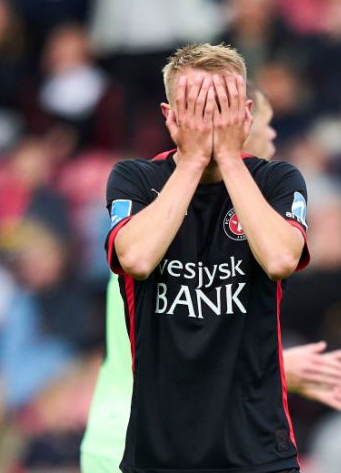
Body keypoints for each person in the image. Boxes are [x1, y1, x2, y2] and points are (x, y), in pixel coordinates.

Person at [81, 86, 341, 472]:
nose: (272, 136)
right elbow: (180, 355)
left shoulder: (164, 218)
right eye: (265, 123)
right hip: (139, 441)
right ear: (237, 128)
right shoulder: (160, 231)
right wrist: (279, 370)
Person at [103, 42, 313, 472]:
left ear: (245, 113)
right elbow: (137, 258)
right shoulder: (135, 179)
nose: (210, 119)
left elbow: (280, 259)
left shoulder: (276, 180)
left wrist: (230, 159)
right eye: (197, 106)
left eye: (222, 105)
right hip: (159, 454)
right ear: (170, 116)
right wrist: (195, 159)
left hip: (258, 452)